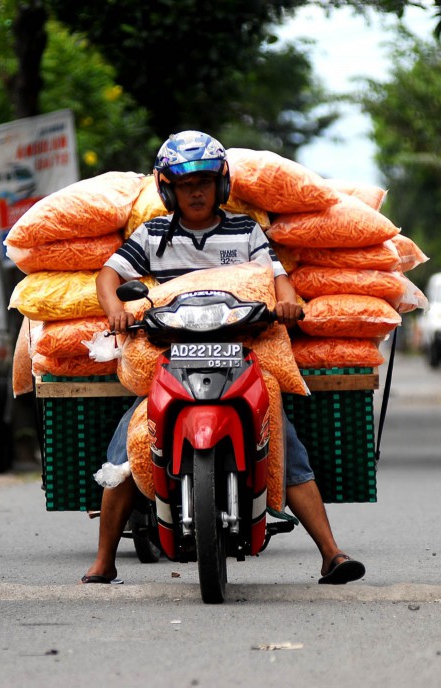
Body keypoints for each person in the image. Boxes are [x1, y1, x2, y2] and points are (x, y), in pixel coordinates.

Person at [81, 130, 365, 586]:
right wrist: (115, 308)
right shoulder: (152, 234)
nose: (196, 191)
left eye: (206, 182)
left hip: (240, 350)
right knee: (127, 443)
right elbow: (109, 273)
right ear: (167, 189)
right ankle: (104, 561)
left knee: (282, 440)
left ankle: (331, 553)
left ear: (222, 185)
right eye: (185, 183)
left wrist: (288, 302)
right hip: (168, 356)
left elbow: (277, 277)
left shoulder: (244, 230)